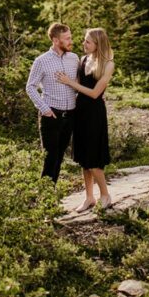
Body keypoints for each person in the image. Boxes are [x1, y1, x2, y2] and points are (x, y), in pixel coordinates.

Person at [56, 27, 114, 211]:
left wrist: (69, 82)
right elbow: (78, 88)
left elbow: (96, 93)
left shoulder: (108, 64)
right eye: (84, 40)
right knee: (83, 158)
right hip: (80, 111)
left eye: (87, 41)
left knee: (93, 159)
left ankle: (105, 194)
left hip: (94, 113)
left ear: (98, 44)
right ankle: (89, 197)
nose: (83, 44)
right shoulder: (83, 59)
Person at [26, 22, 79, 183]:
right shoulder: (41, 61)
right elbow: (30, 87)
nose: (71, 41)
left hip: (70, 115)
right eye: (67, 38)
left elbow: (77, 83)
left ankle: (51, 197)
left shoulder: (74, 58)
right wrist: (44, 109)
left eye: (70, 37)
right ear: (56, 40)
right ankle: (44, 199)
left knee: (60, 156)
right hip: (51, 115)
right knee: (50, 158)